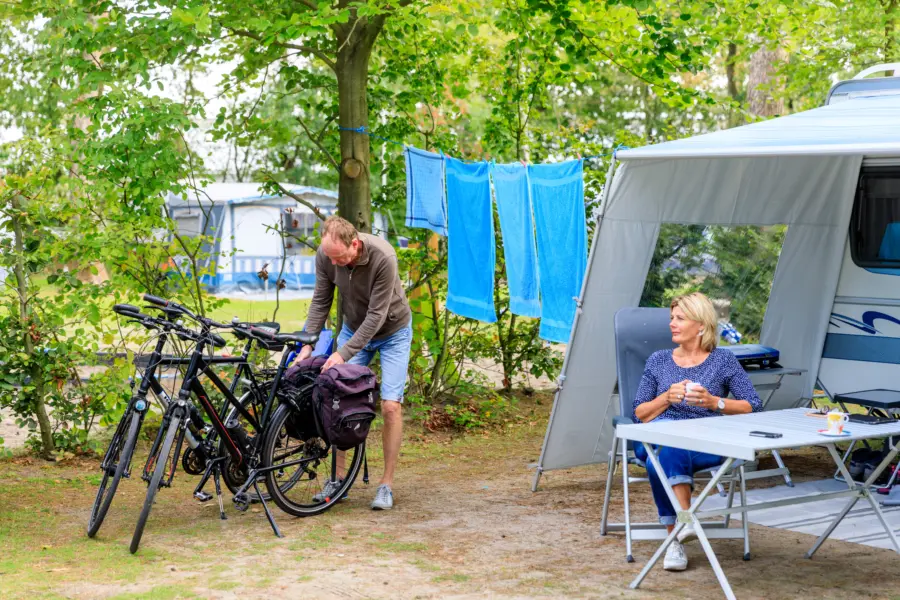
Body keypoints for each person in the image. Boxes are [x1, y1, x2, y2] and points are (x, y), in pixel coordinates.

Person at [632, 292, 761, 572]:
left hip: (705, 441)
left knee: (662, 461)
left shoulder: (723, 361)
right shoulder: (659, 360)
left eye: (679, 318)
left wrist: (715, 402)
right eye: (671, 318)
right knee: (669, 438)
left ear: (701, 325)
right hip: (653, 437)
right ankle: (686, 519)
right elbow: (638, 413)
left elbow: (754, 405)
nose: (672, 324)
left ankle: (675, 537)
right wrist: (666, 397)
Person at [295, 215, 412, 511]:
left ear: (355, 245)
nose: (334, 264)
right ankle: (338, 480)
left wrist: (342, 353)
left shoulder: (383, 256)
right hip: (353, 328)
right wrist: (308, 342)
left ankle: (386, 485)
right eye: (329, 258)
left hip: (393, 331)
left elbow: (377, 315)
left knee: (390, 405)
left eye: (339, 257)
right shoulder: (327, 255)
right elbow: (321, 300)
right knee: (334, 396)